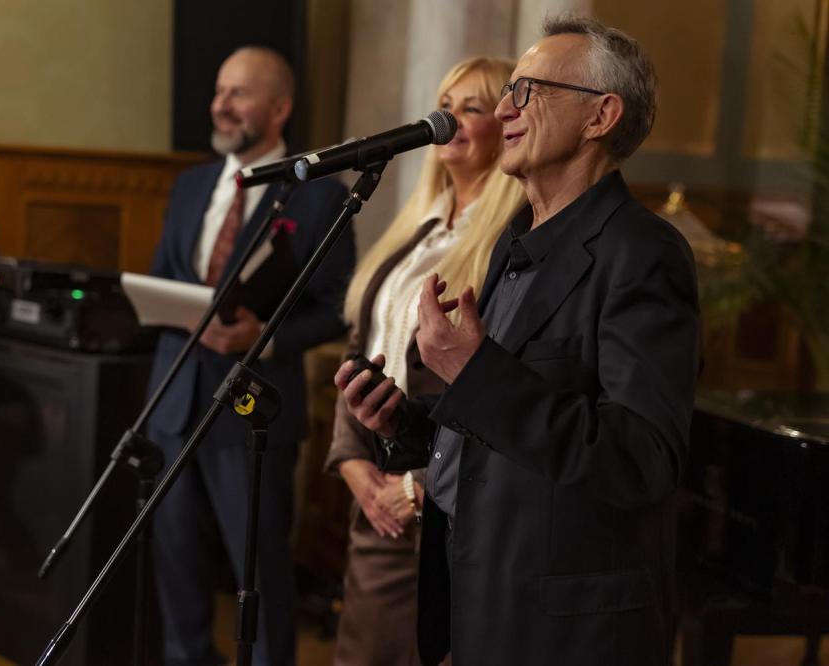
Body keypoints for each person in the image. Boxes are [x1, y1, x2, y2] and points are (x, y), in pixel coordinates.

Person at [336, 15, 699, 666]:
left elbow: (641, 458)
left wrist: (473, 372)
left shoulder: (642, 253)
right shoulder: (514, 242)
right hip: (484, 601)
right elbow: (502, 426)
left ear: (600, 116)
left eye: (528, 90)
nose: (506, 108)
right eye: (509, 92)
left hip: (568, 628)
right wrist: (407, 424)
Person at [146, 46, 355, 666]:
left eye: (238, 93)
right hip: (173, 404)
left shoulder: (320, 197)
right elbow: (164, 277)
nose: (221, 105)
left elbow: (339, 308)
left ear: (279, 108)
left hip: (250, 416)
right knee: (175, 563)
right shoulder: (189, 186)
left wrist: (264, 335)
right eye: (219, 91)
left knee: (258, 575)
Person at [323, 56, 525, 666]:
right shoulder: (421, 229)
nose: (451, 119)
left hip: (443, 500)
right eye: (445, 105)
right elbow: (362, 347)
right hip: (375, 484)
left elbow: (493, 385)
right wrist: (352, 463)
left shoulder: (508, 241)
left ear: (507, 125)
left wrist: (418, 486)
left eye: (472, 107)